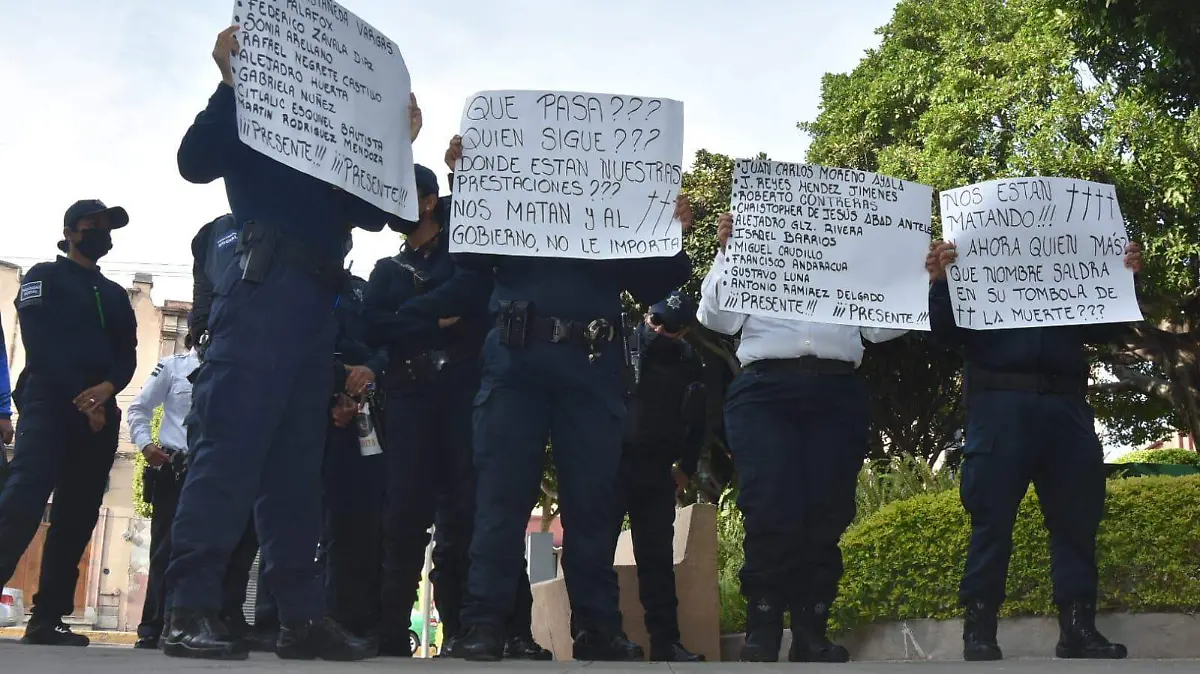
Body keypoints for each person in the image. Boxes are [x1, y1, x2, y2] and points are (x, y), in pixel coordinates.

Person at [381, 135, 693, 662]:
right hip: (515, 364)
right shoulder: (509, 212)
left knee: (592, 503)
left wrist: (670, 231)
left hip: (592, 366)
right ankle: (485, 624)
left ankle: (597, 627)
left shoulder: (614, 222)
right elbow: (469, 262)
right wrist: (471, 183)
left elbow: (659, 281)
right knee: (499, 499)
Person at [163, 25, 421, 661]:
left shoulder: (333, 138)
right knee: (229, 448)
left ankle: (302, 618)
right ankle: (189, 607)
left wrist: (393, 142)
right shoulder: (257, 108)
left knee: (296, 466)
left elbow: (375, 214)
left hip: (317, 304)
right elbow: (194, 161)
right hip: (263, 290)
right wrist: (230, 80)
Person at [697, 213, 906, 663]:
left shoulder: (854, 261)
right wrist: (729, 250)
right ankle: (763, 626)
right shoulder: (749, 254)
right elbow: (717, 318)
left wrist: (919, 283)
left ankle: (812, 629)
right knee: (769, 505)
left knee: (827, 511)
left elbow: (880, 329)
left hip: (838, 388)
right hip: (764, 388)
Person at [926, 239, 1139, 662]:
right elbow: (945, 334)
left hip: (1066, 405)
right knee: (991, 522)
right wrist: (940, 283)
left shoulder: (1068, 277)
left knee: (1078, 520)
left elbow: (1108, 327)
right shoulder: (974, 273)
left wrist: (1125, 279)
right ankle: (980, 630)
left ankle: (1078, 629)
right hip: (999, 405)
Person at [365, 164, 491, 658]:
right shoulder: (385, 271)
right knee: (402, 517)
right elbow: (372, 326)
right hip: (409, 398)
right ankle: (391, 632)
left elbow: (471, 298)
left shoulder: (465, 254)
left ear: (429, 201)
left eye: (405, 195)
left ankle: (461, 632)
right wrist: (430, 319)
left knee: (463, 516)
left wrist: (404, 318)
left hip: (462, 393)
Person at [0, 199, 137, 646]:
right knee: (22, 501)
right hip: (48, 404)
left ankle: (47, 619)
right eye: (92, 225)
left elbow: (127, 356)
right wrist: (83, 399)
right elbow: (40, 342)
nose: (102, 233)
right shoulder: (43, 276)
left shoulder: (116, 295)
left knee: (77, 517)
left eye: (107, 228)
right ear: (70, 232)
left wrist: (106, 391)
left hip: (99, 418)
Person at [616, 290, 707, 662]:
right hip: (614, 464)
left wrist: (685, 468)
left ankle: (666, 642)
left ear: (683, 331)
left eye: (667, 325)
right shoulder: (622, 345)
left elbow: (697, 419)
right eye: (654, 319)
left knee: (656, 562)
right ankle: (597, 634)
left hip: (656, 471)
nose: (657, 328)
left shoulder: (689, 363)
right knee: (593, 555)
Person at [321, 273, 388, 641]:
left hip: (366, 419)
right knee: (295, 518)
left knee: (359, 524)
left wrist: (368, 374)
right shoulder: (297, 282)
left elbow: (385, 343)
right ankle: (280, 618)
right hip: (311, 411)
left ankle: (353, 620)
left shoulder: (363, 289)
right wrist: (336, 385)